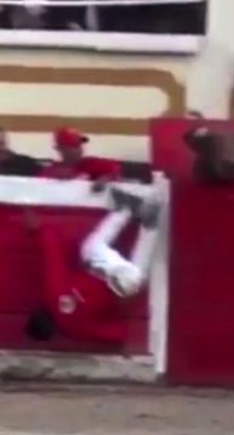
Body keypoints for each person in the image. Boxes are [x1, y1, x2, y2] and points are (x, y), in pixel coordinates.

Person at [23, 186, 161, 343]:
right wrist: (38, 230)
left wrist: (119, 309)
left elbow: (118, 333)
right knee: (90, 247)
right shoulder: (52, 294)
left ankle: (150, 226)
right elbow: (53, 256)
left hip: (118, 285)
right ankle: (124, 210)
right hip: (99, 266)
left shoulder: (74, 331)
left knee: (134, 279)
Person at [39, 126, 121, 182]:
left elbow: (115, 170)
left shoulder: (91, 164)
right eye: (73, 146)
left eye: (79, 146)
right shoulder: (50, 172)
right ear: (60, 149)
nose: (79, 150)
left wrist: (106, 179)